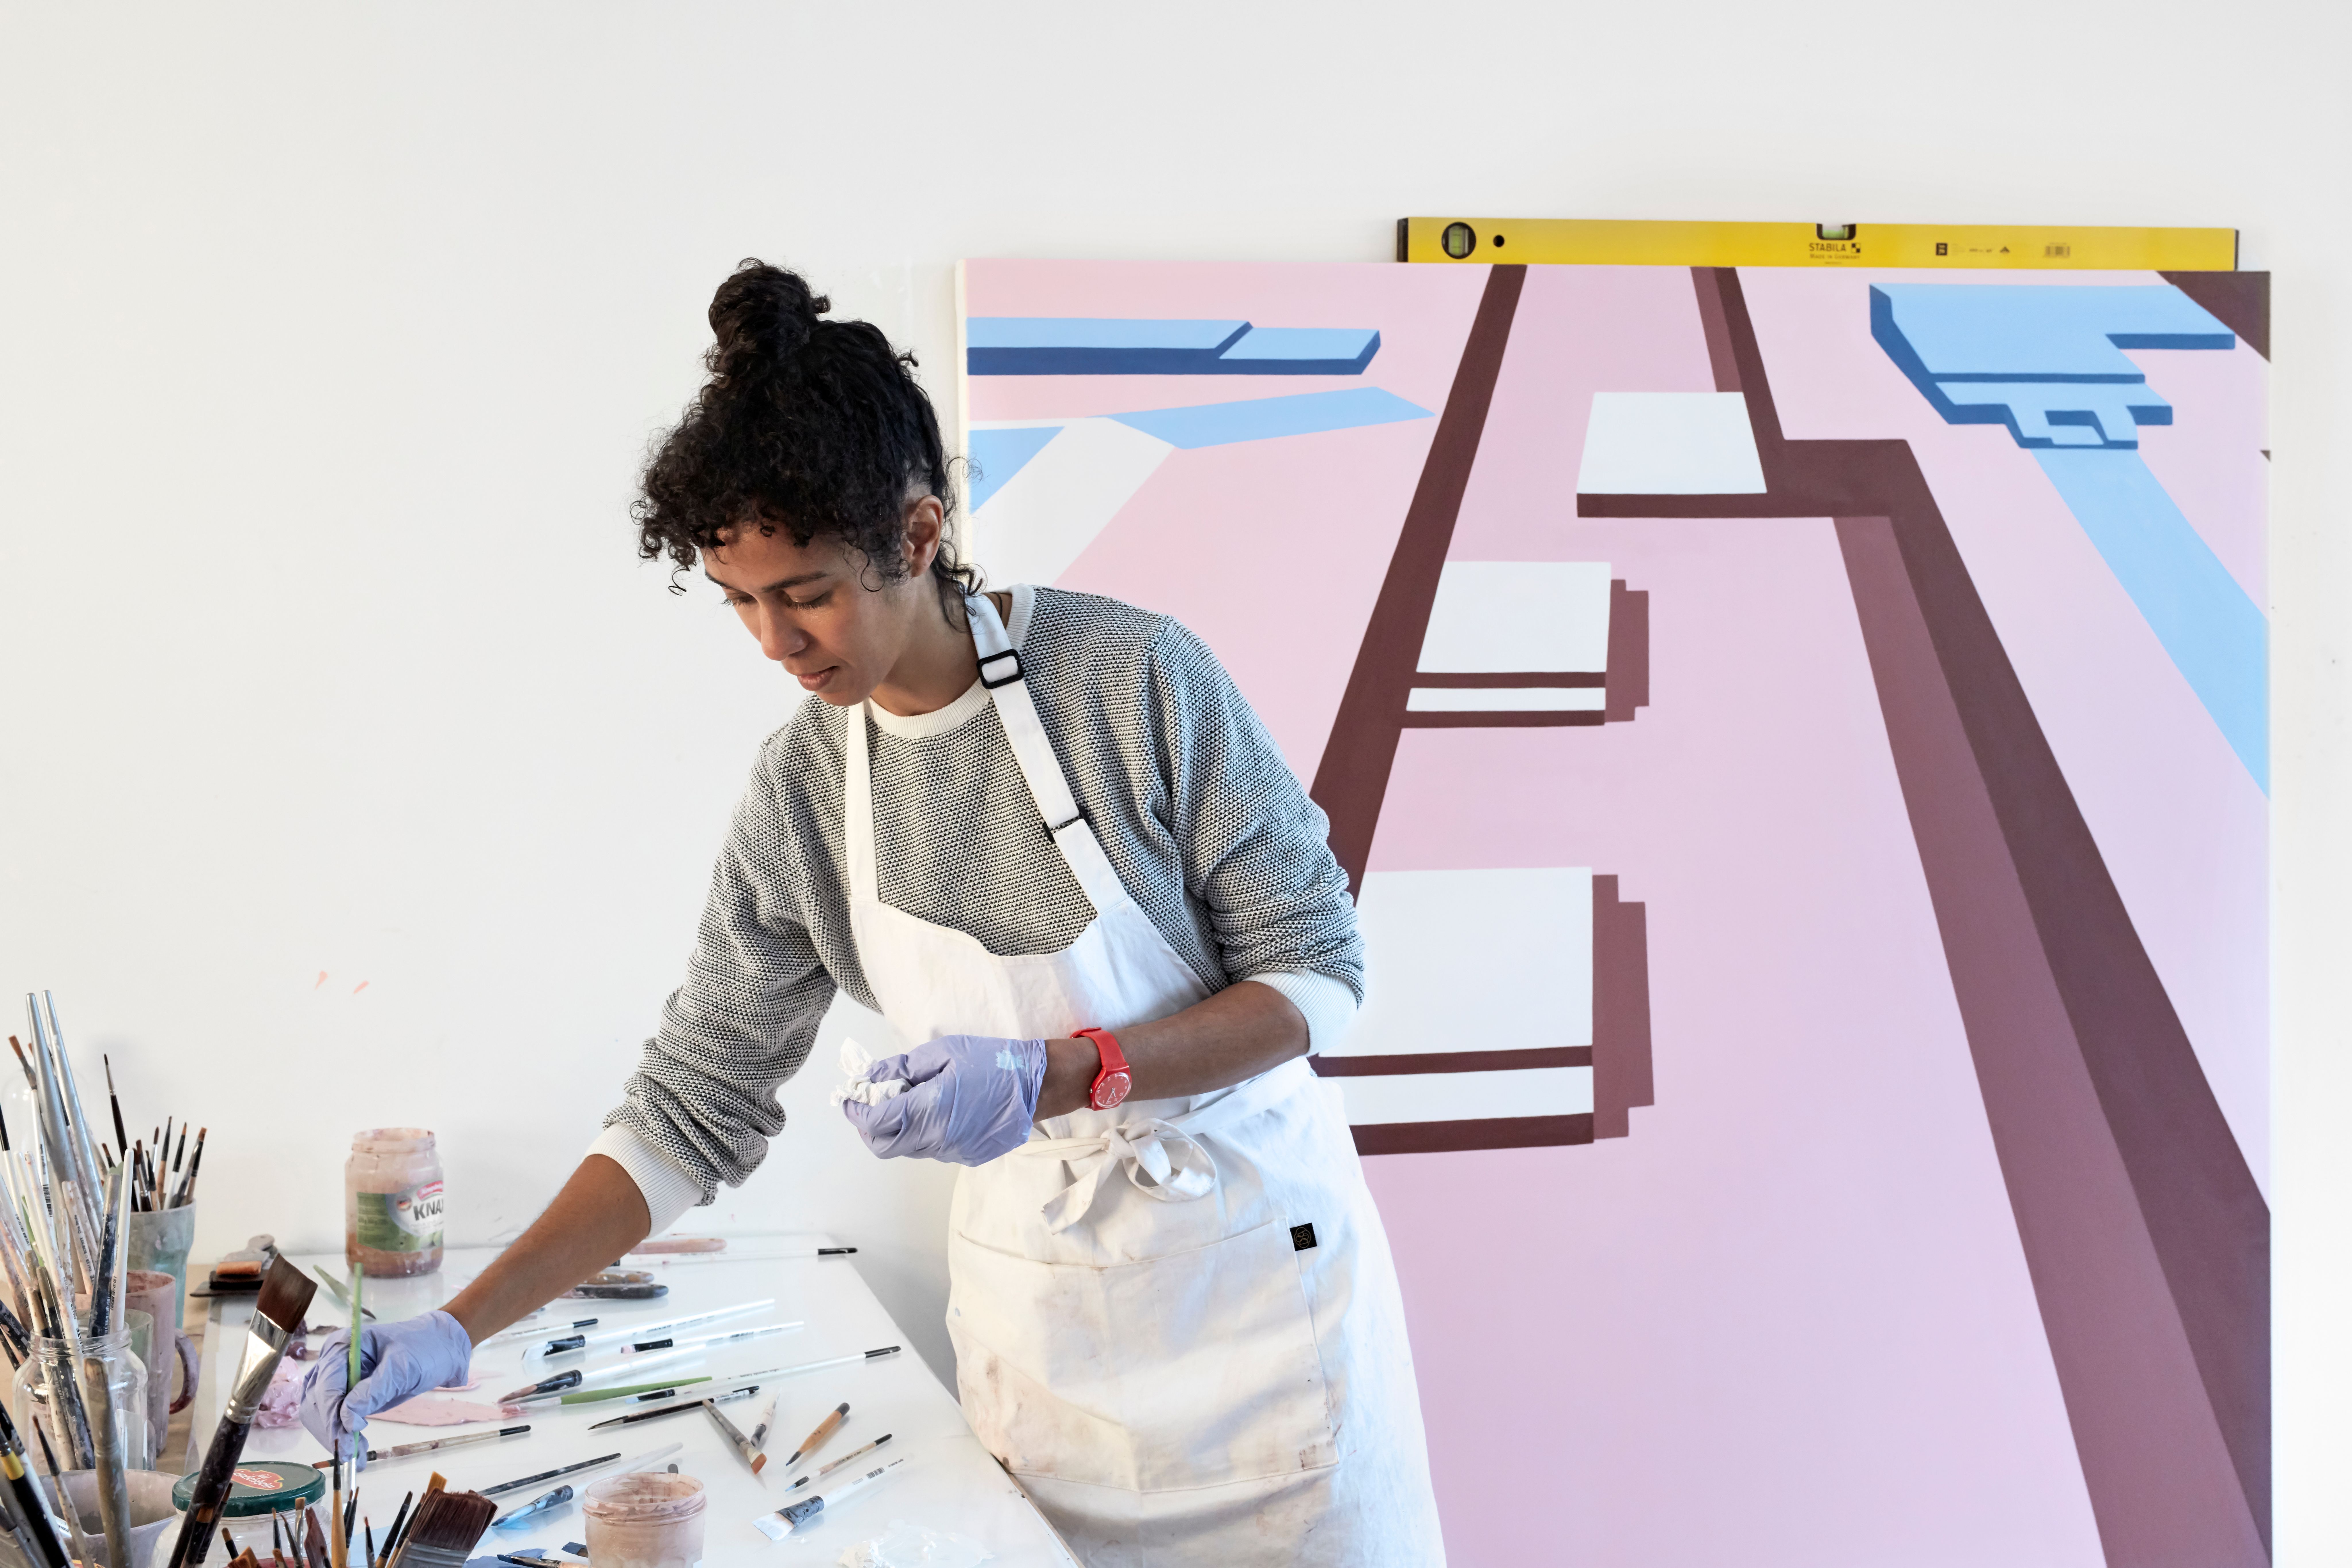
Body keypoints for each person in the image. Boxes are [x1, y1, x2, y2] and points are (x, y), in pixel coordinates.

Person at [299, 261, 1445, 1565]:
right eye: (739, 600)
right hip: (1047, 1345)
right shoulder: (805, 794)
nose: (775, 643)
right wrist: (463, 1322)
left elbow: (1319, 977)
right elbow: (691, 1104)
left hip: (1259, 1327)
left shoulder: (1129, 680)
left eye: (805, 593)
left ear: (915, 534)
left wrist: (1065, 1073)